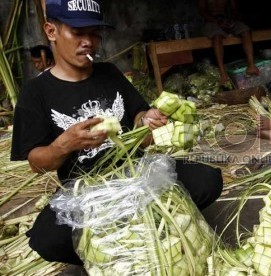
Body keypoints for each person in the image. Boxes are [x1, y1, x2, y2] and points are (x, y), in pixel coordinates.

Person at [10, 0, 223, 265]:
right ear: (51, 31)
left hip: (139, 173)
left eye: (94, 33)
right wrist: (64, 145)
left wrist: (149, 118)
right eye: (77, 33)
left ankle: (134, 232)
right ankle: (124, 243)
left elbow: (138, 115)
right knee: (46, 239)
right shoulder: (35, 93)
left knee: (208, 180)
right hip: (88, 191)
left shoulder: (109, 73)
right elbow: (37, 163)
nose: (88, 41)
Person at [198, 0, 259, 86]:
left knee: (245, 30)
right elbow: (202, 10)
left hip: (226, 20)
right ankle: (223, 72)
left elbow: (234, 9)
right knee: (217, 35)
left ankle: (251, 65)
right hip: (211, 21)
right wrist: (216, 21)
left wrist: (231, 20)